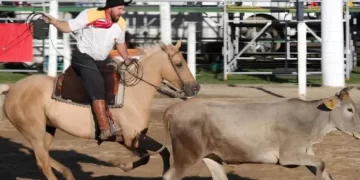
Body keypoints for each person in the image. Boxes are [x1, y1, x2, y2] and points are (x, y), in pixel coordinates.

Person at [42, 0, 133, 141]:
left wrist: (127, 58)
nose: (122, 12)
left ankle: (114, 116)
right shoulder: (90, 14)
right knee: (96, 83)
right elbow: (68, 27)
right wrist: (54, 21)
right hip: (83, 57)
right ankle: (104, 128)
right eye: (120, 8)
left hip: (102, 59)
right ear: (110, 7)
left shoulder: (121, 23)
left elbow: (120, 43)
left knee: (116, 78)